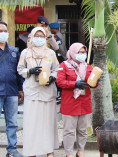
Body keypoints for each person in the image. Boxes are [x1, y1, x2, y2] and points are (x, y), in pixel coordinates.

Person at [17, 27, 59, 157]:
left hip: (47, 93)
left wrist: (52, 77)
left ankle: (49, 151)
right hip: (32, 93)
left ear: (45, 38)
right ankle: (31, 151)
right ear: (32, 37)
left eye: (42, 36)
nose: (39, 38)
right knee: (32, 124)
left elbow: (57, 70)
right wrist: (30, 71)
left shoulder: (51, 53)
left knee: (47, 123)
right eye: (37, 35)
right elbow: (20, 69)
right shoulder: (25, 52)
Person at [57, 43, 97, 157]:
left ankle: (80, 151)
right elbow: (60, 82)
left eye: (84, 52)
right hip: (70, 103)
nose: (82, 55)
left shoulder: (88, 66)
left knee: (83, 130)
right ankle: (68, 153)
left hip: (84, 102)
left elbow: (93, 84)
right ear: (73, 52)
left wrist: (96, 81)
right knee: (69, 130)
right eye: (79, 52)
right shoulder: (64, 65)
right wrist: (74, 84)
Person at [0, 21, 23, 157]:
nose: (3, 33)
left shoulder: (14, 51)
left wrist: (20, 89)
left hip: (12, 91)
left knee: (12, 122)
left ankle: (12, 150)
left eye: (4, 31)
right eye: (0, 31)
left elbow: (19, 73)